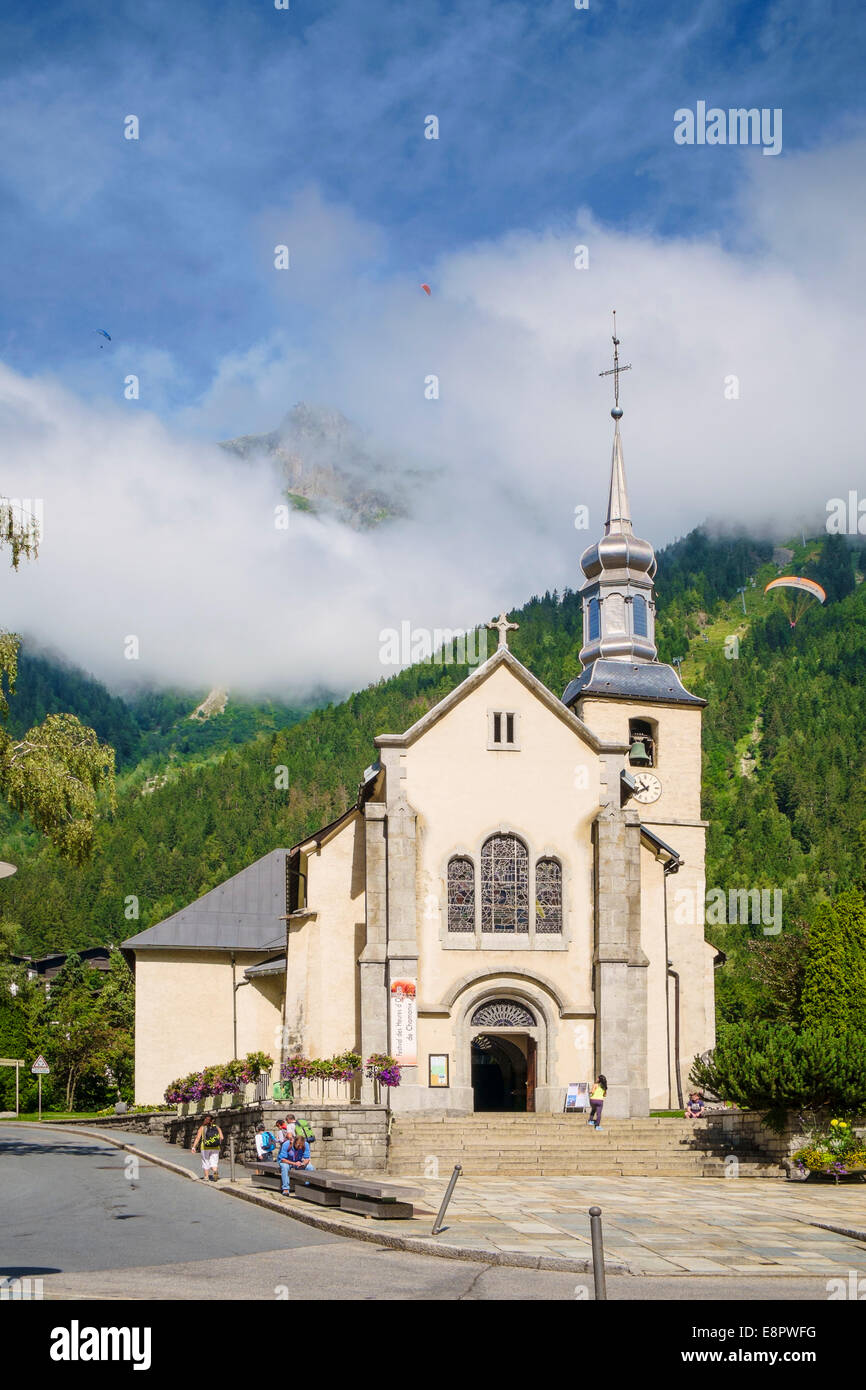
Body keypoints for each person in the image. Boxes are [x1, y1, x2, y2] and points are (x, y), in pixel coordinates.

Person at [279, 1130, 315, 1196]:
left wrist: (303, 1163)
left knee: (310, 1167)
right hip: (287, 1161)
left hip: (298, 1162)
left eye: (302, 1146)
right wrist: (294, 1163)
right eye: (298, 1146)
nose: (300, 1147)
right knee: (284, 1167)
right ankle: (286, 1188)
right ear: (294, 1142)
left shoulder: (306, 1145)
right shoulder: (286, 1144)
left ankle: (308, 1187)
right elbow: (282, 1159)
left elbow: (307, 1158)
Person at [191, 1113, 224, 1180]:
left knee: (206, 1161)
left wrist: (194, 1147)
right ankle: (215, 1172)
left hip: (205, 1147)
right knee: (214, 1161)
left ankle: (206, 1177)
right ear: (212, 1121)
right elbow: (222, 1137)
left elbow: (197, 1138)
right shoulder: (217, 1127)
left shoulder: (202, 1128)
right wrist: (217, 1142)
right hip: (215, 1147)